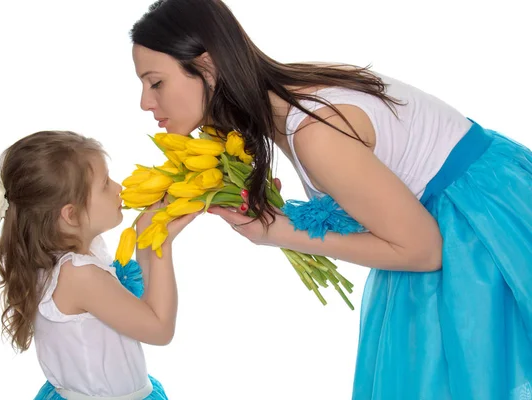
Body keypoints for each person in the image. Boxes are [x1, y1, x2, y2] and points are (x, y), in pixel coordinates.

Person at [129, 0, 532, 399]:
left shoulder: (315, 133)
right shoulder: (292, 96)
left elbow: (425, 251)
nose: (145, 102)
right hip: (493, 191)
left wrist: (275, 232)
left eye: (156, 82)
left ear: (207, 67)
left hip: (477, 231)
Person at [0, 130, 198, 399]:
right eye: (106, 183)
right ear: (71, 215)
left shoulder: (68, 259)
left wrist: (147, 237)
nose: (119, 188)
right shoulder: (78, 275)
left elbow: (142, 306)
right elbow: (159, 329)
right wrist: (162, 245)